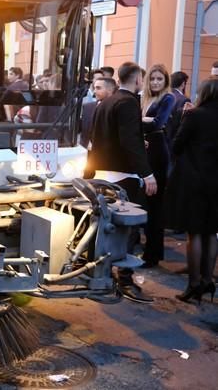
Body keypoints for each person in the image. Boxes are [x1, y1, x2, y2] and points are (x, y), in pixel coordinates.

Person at [87, 61, 157, 303]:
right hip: (123, 175)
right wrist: (147, 173)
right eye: (143, 79)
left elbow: (99, 137)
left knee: (106, 228)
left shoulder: (106, 101)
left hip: (102, 172)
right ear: (137, 78)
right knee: (128, 229)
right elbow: (128, 141)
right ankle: (124, 279)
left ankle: (102, 274)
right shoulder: (128, 102)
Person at [166, 79, 218, 303]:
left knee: (194, 232)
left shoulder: (195, 115)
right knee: (212, 232)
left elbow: (176, 145)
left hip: (195, 179)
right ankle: (208, 280)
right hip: (217, 181)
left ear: (204, 93)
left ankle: (194, 284)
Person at [139, 64, 174, 268]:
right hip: (146, 147)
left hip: (158, 151)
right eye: (153, 79)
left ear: (166, 81)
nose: (155, 82)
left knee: (155, 205)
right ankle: (147, 250)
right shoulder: (145, 98)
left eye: (160, 79)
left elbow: (158, 123)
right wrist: (145, 120)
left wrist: (140, 119)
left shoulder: (168, 98)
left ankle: (153, 255)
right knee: (145, 202)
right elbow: (148, 123)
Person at [80, 76, 116, 149]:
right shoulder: (87, 107)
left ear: (110, 90)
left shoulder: (117, 109)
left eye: (98, 88)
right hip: (85, 154)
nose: (94, 91)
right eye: (94, 88)